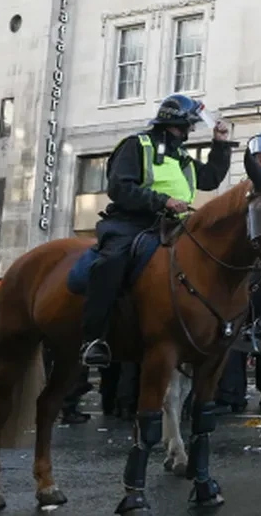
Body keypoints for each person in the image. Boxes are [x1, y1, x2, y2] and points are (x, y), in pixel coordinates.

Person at [80, 94, 232, 368]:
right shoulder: (136, 145)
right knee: (111, 262)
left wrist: (220, 145)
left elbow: (210, 179)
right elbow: (119, 188)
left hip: (176, 224)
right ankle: (93, 339)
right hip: (132, 222)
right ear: (176, 124)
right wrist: (162, 201)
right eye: (189, 125)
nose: (191, 131)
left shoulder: (182, 158)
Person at [214, 135, 261, 414]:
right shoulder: (246, 186)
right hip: (250, 263)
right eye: (258, 154)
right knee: (234, 327)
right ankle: (230, 394)